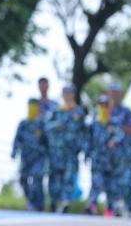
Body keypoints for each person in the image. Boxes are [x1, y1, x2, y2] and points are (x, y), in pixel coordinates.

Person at [44, 84, 84, 214]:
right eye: (65, 93)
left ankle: (65, 202)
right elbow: (46, 126)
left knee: (69, 178)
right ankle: (54, 202)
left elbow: (84, 132)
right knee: (54, 178)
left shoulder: (79, 112)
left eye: (70, 93)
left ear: (74, 95)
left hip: (71, 151)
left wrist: (81, 147)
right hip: (56, 151)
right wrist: (57, 125)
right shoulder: (55, 110)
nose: (68, 95)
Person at [11, 98, 47, 211]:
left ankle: (39, 203)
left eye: (34, 106)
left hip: (39, 157)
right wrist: (14, 151)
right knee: (23, 179)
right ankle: (31, 200)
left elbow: (47, 141)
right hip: (25, 157)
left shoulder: (42, 124)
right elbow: (17, 139)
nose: (32, 108)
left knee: (37, 178)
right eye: (30, 106)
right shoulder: (23, 124)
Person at [86, 93, 113, 215]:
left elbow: (120, 135)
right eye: (101, 104)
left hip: (110, 159)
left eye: (105, 104)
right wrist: (87, 153)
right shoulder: (93, 122)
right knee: (96, 181)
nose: (103, 107)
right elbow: (88, 138)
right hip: (97, 157)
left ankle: (110, 208)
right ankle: (92, 205)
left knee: (110, 184)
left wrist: (114, 141)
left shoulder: (113, 121)